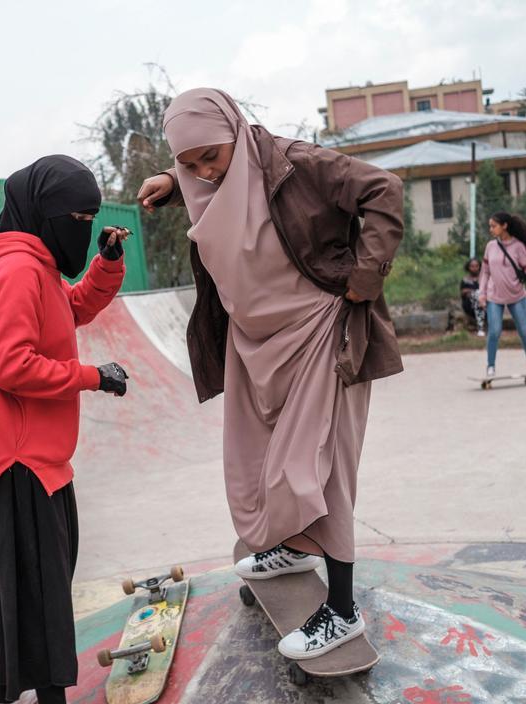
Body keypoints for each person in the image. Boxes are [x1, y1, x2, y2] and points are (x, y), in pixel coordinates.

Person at [137, 88, 404, 661]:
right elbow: (199, 167)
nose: (206, 172)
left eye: (211, 156)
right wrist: (171, 175)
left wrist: (367, 275)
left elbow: (385, 189)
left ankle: (343, 610)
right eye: (191, 164)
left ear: (236, 127)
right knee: (256, 460)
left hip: (320, 334)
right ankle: (292, 546)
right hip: (257, 342)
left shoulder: (298, 164)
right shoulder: (206, 182)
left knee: (317, 470)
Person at [0, 155, 136, 704]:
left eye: (90, 218)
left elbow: (70, 311)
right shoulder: (22, 272)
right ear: (45, 214)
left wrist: (104, 265)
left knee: (10, 585)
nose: (82, 227)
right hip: (17, 461)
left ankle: (9, 699)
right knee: (44, 589)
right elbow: (13, 366)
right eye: (77, 218)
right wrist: (93, 377)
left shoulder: (30, 262)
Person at [480, 211, 526, 379]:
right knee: (494, 331)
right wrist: (482, 293)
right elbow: (485, 272)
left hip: (516, 295)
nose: (491, 229)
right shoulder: (490, 246)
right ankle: (491, 367)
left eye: (494, 226)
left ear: (504, 226)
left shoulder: (518, 247)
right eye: (490, 226)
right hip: (495, 296)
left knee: (524, 331)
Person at [461, 258, 485, 336]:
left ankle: (481, 327)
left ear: (479, 267)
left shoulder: (483, 279)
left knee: (479, 299)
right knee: (477, 296)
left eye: (476, 266)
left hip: (484, 304)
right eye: (472, 266)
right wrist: (474, 292)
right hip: (469, 305)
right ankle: (480, 327)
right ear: (468, 267)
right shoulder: (465, 280)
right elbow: (463, 292)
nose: (474, 268)